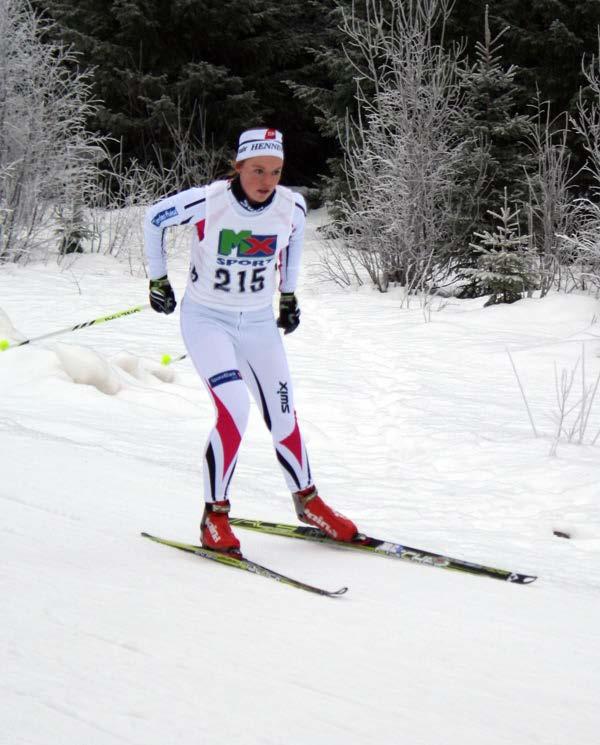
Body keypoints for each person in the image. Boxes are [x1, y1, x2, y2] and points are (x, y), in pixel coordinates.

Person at [144, 127, 358, 554]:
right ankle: (214, 517)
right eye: (257, 170)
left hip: (258, 323)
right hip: (208, 321)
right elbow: (153, 219)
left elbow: (295, 241)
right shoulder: (209, 201)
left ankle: (309, 503)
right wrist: (158, 280)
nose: (266, 181)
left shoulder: (290, 206)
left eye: (275, 172)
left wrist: (289, 292)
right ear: (238, 166)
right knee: (235, 409)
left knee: (283, 413)